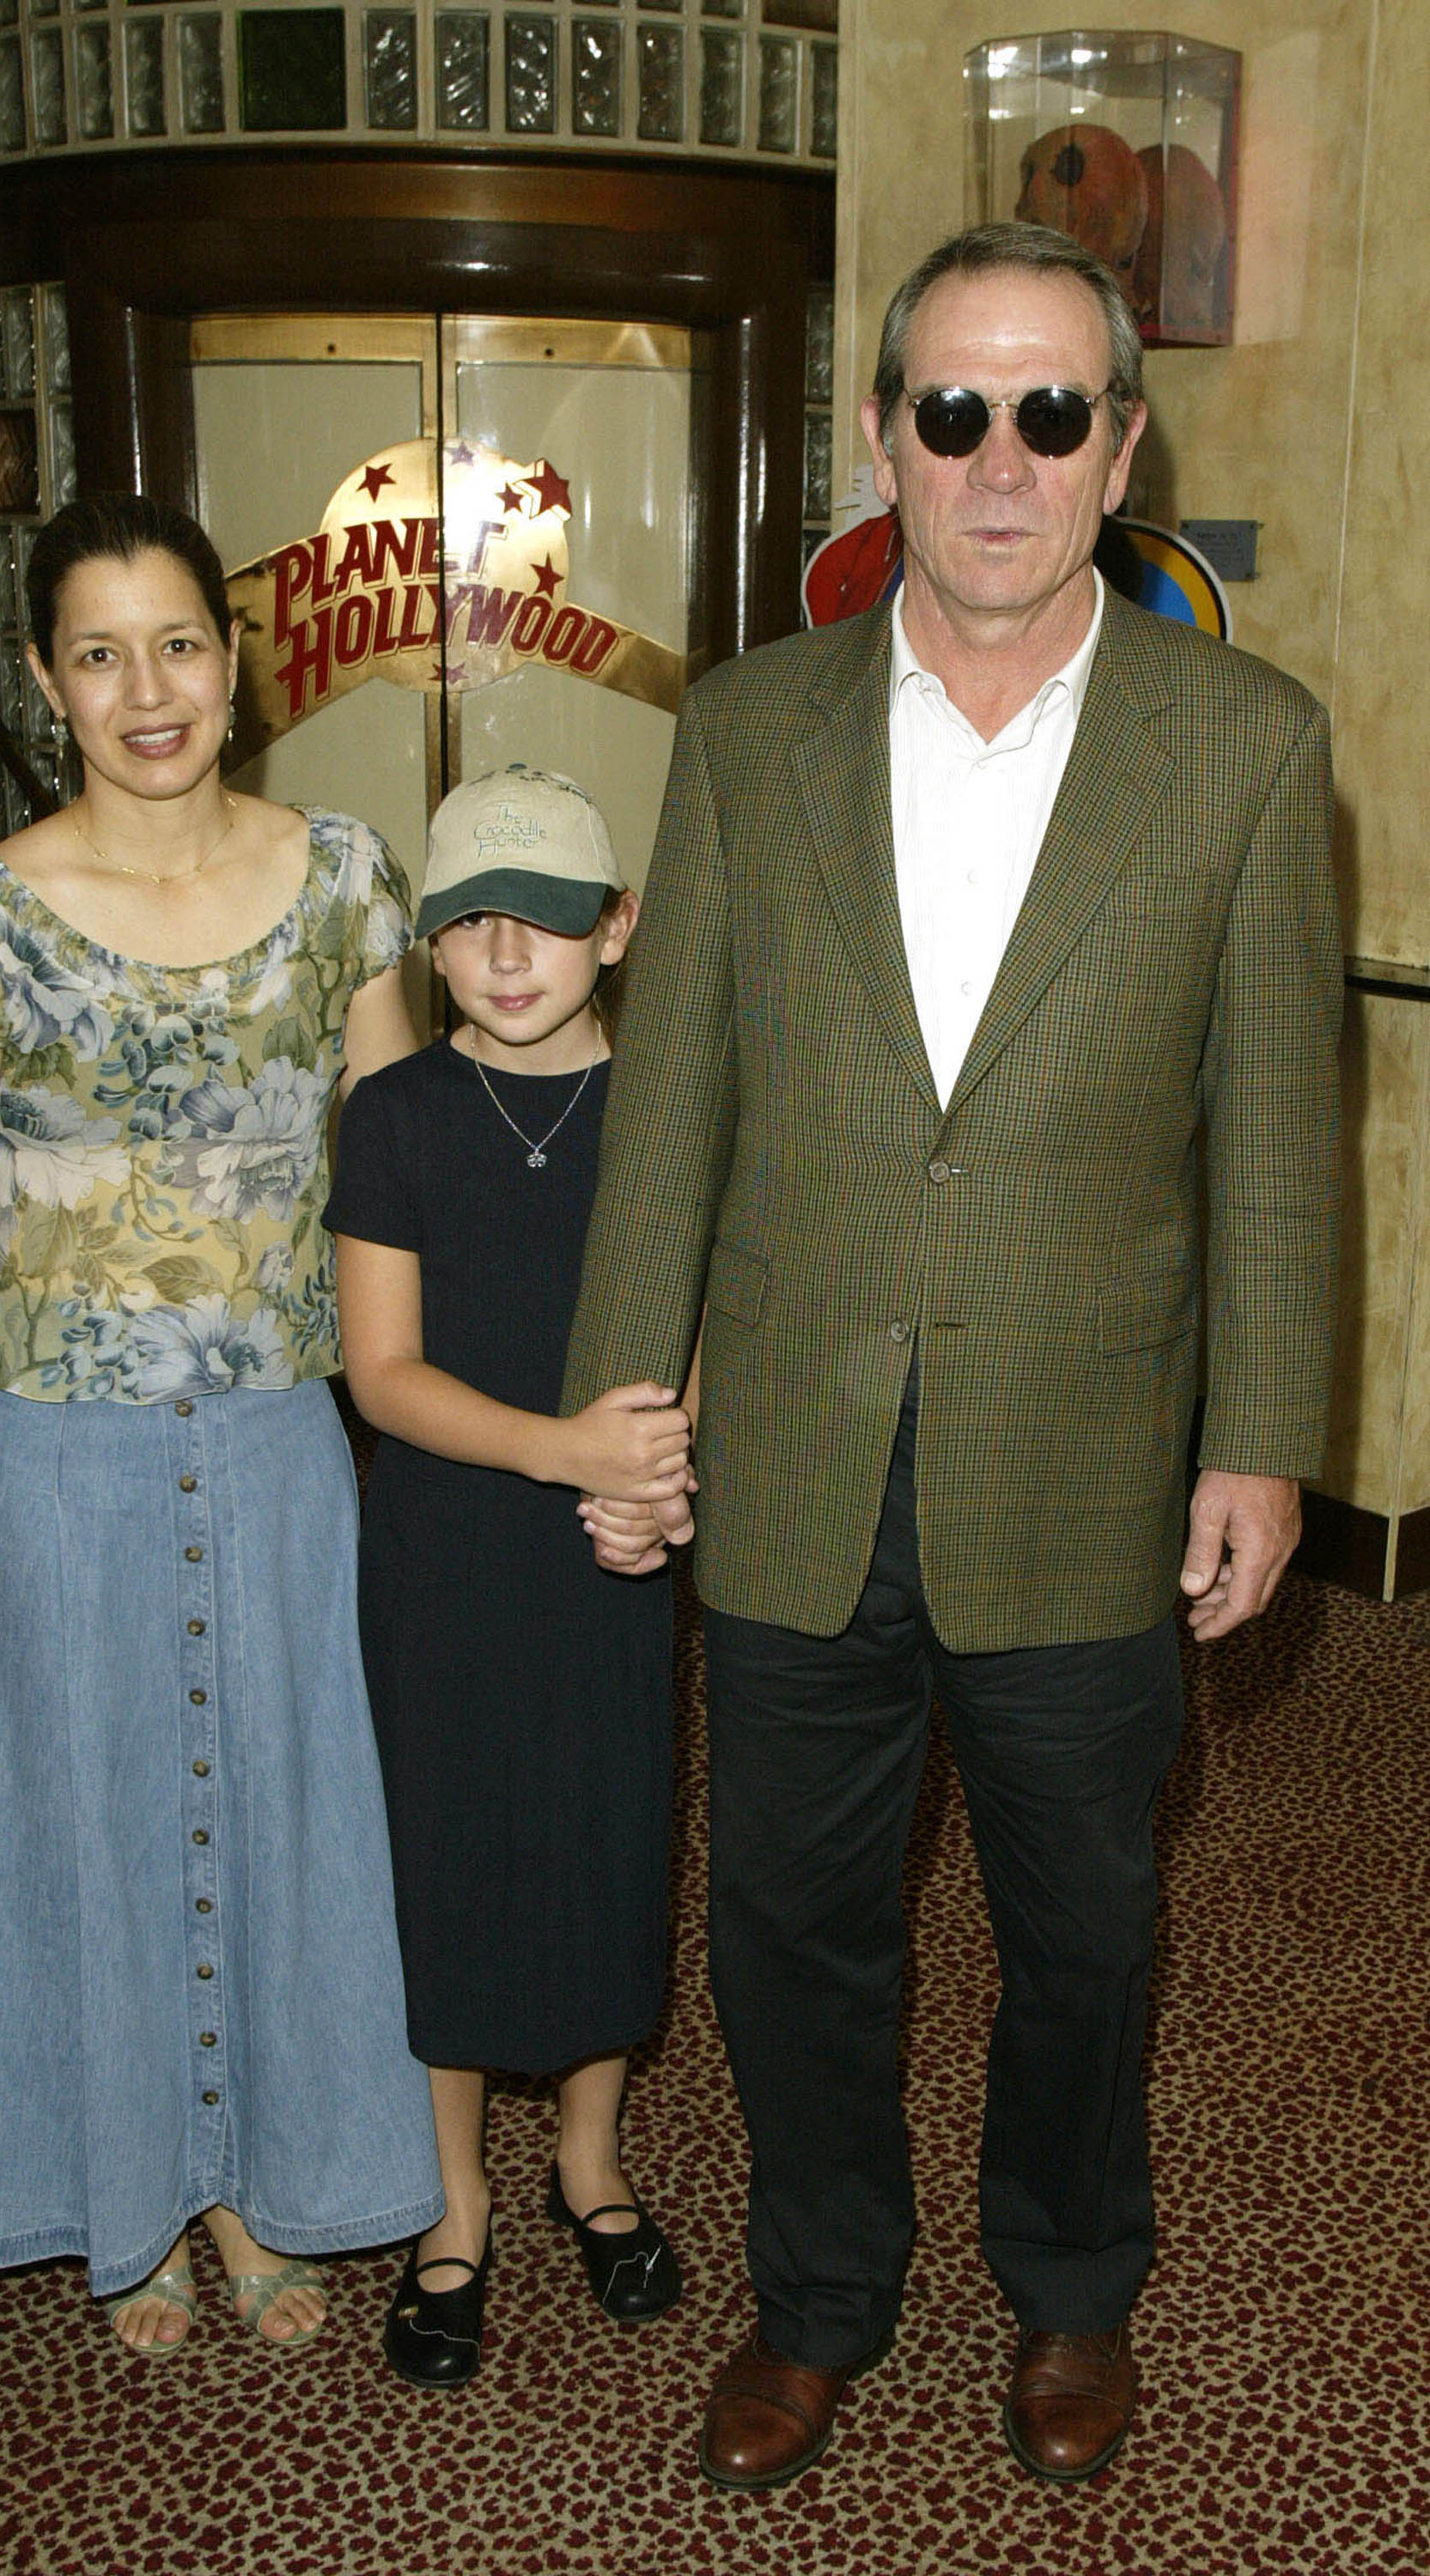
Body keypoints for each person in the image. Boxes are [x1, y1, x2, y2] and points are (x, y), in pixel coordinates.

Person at [563, 221, 1342, 2487]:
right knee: (791, 1934)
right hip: (795, 1455)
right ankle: (819, 2296)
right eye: (951, 411)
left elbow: (1282, 1139)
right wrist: (626, 1409)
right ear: (884, 441)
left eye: (1050, 412)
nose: (999, 460)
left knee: (1083, 1933)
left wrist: (1264, 1444)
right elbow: (673, 1100)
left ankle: (1071, 2287)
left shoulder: (1245, 750)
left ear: (1119, 451)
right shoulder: (741, 731)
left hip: (1087, 1464)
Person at [0, 495, 442, 2357]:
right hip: (51, 1455)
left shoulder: (348, 880)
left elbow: (400, 1175)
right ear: (47, 680)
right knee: (96, 1817)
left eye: (178, 643)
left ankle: (259, 2184)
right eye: (99, 653)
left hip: (282, 1437)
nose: (148, 691)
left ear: (235, 655)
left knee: (284, 1806)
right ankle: (140, 2195)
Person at [329, 766, 689, 2387]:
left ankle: (590, 2162)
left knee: (611, 1835)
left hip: (620, 1549)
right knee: (449, 1854)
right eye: (470, 920)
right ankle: (453, 2199)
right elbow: (380, 1374)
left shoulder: (673, 1108)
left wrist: (663, 1483)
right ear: (428, 946)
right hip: (449, 1548)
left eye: (545, 918)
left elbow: (714, 1332)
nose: (507, 951)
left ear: (611, 928)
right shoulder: (394, 1115)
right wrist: (569, 1455)